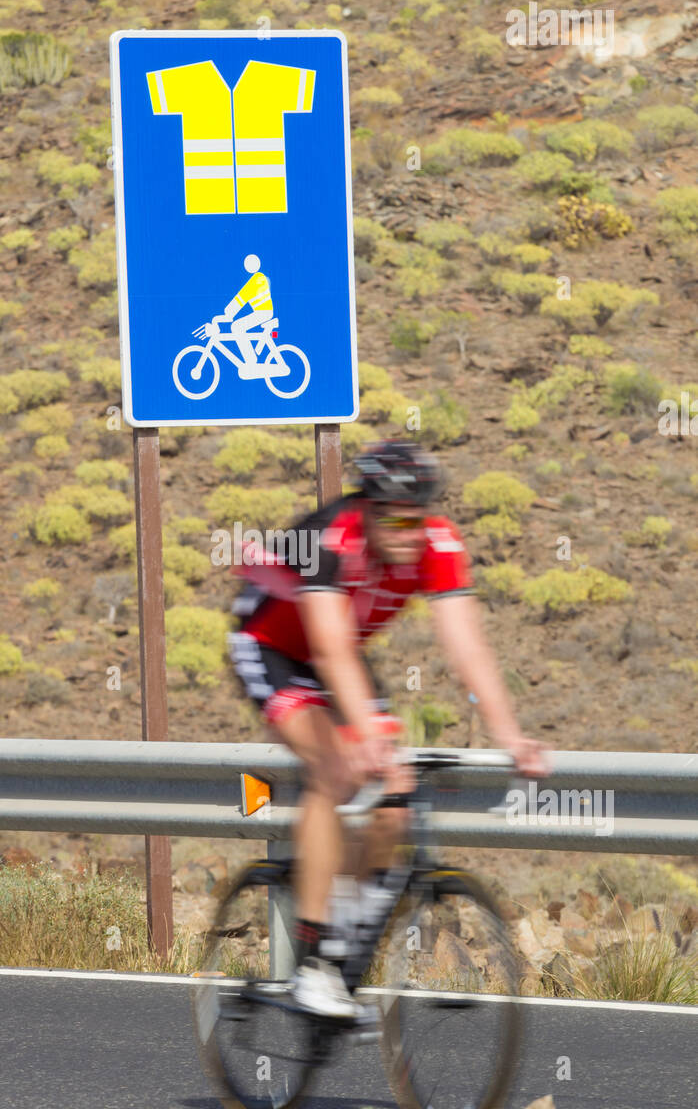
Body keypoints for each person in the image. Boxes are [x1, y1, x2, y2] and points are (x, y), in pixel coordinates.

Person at [229, 438, 550, 1018]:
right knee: (337, 769)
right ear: (368, 510)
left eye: (417, 520)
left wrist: (510, 734)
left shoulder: (437, 543)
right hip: (273, 646)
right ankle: (314, 958)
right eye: (395, 521)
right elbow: (326, 650)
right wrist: (367, 736)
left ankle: (347, 936)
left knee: (394, 804)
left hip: (341, 656)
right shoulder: (329, 538)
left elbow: (468, 649)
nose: (408, 533)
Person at [216, 254, 286, 376]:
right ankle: (252, 358)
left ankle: (251, 362)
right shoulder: (260, 278)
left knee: (236, 327)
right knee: (238, 327)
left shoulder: (256, 279)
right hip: (263, 312)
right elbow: (243, 296)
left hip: (263, 313)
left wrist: (228, 313)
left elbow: (242, 297)